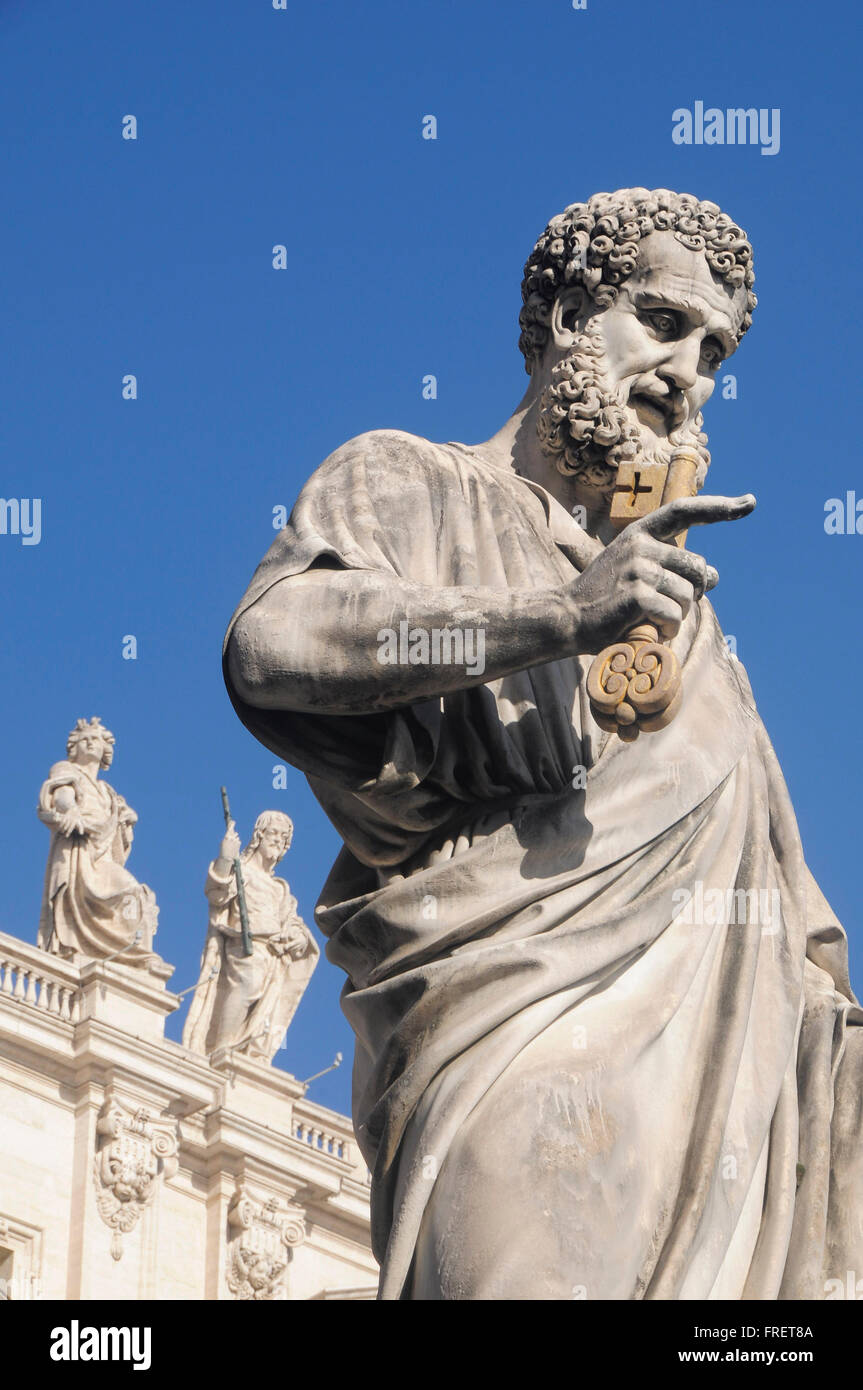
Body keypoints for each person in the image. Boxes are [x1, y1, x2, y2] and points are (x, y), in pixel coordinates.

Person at [222, 188, 862, 1299]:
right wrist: (560, 620)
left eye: (713, 350)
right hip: (505, 1033)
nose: (687, 373)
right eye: (660, 323)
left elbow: (787, 918)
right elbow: (273, 644)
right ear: (569, 314)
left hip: (721, 1092)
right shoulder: (410, 478)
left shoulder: (692, 622)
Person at [183, 811, 318, 1062]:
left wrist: (299, 937)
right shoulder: (241, 870)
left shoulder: (281, 888)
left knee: (261, 1010)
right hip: (245, 947)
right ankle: (221, 1050)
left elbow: (292, 921)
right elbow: (217, 893)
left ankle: (242, 1054)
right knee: (247, 985)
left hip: (274, 957)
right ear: (259, 835)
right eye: (274, 833)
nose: (278, 840)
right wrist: (226, 856)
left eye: (284, 837)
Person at [37, 717, 158, 964]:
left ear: (106, 749)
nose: (91, 743)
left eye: (96, 739)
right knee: (78, 899)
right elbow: (61, 795)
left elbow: (118, 843)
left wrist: (124, 822)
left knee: (134, 894)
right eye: (85, 739)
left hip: (101, 857)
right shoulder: (66, 769)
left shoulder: (108, 792)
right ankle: (79, 947)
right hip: (77, 851)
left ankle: (132, 957)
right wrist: (70, 810)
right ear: (74, 746)